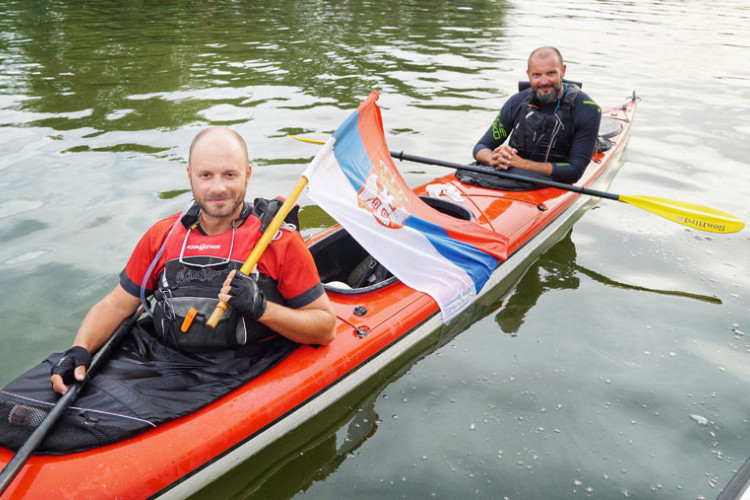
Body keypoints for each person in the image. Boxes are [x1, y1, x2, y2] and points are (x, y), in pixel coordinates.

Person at [50, 126, 337, 395]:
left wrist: (261, 308)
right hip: (164, 364)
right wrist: (80, 349)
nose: (218, 188)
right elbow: (116, 304)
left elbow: (325, 328)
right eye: (206, 175)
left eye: (230, 175)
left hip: (247, 366)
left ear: (248, 175)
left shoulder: (278, 241)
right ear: (190, 176)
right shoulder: (162, 235)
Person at [472, 46, 601, 184]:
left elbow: (574, 171)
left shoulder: (588, 109)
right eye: (537, 75)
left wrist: (523, 164)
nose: (544, 81)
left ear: (562, 71)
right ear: (528, 74)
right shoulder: (516, 102)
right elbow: (481, 147)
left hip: (555, 178)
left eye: (551, 73)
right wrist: (494, 158)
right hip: (515, 177)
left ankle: (596, 144)